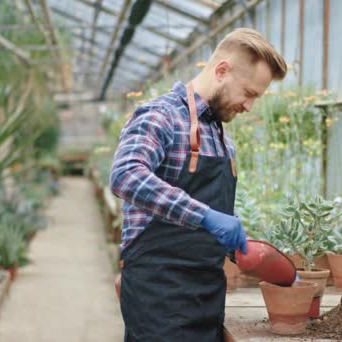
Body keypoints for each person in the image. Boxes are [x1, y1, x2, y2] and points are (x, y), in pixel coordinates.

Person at [110, 27, 287, 341]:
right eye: (249, 93)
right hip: (158, 295)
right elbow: (126, 175)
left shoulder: (221, 140)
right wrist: (206, 216)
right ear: (222, 70)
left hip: (206, 298)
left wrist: (236, 245)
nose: (249, 106)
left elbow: (207, 223)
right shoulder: (160, 117)